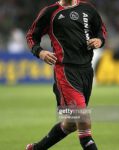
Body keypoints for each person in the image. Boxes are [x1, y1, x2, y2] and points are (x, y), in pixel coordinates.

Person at [26, 0, 106, 150]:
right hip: (65, 72)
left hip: (86, 71)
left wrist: (99, 40)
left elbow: (101, 30)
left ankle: (36, 149)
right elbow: (31, 36)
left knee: (70, 123)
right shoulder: (50, 12)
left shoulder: (88, 9)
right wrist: (40, 52)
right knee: (83, 119)